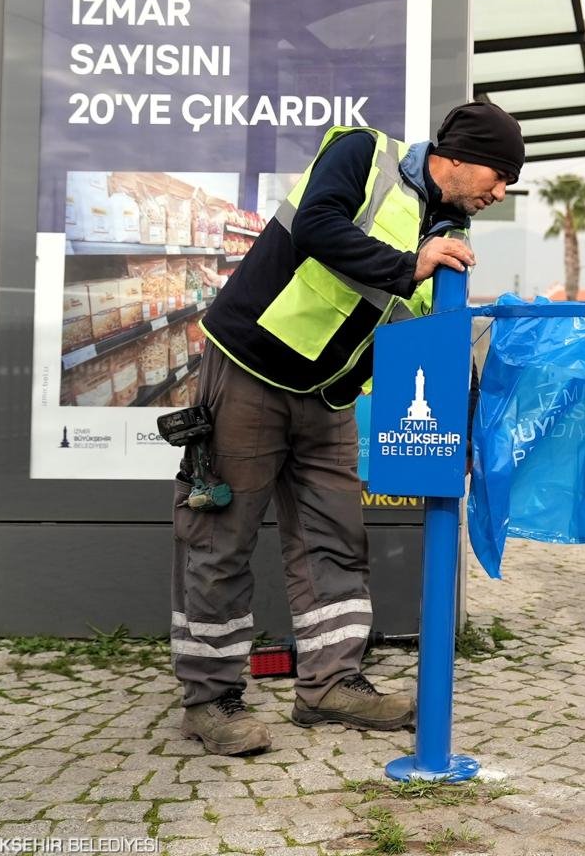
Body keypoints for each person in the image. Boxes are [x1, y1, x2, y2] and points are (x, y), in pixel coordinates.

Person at [172, 103, 524, 756]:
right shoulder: (363, 153)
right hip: (252, 366)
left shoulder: (443, 232)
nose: (501, 192)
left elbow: (431, 335)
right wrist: (407, 265)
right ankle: (208, 700)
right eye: (500, 174)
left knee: (336, 537)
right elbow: (316, 226)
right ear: (458, 155)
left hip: (326, 397)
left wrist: (471, 419)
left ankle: (329, 683)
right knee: (220, 539)